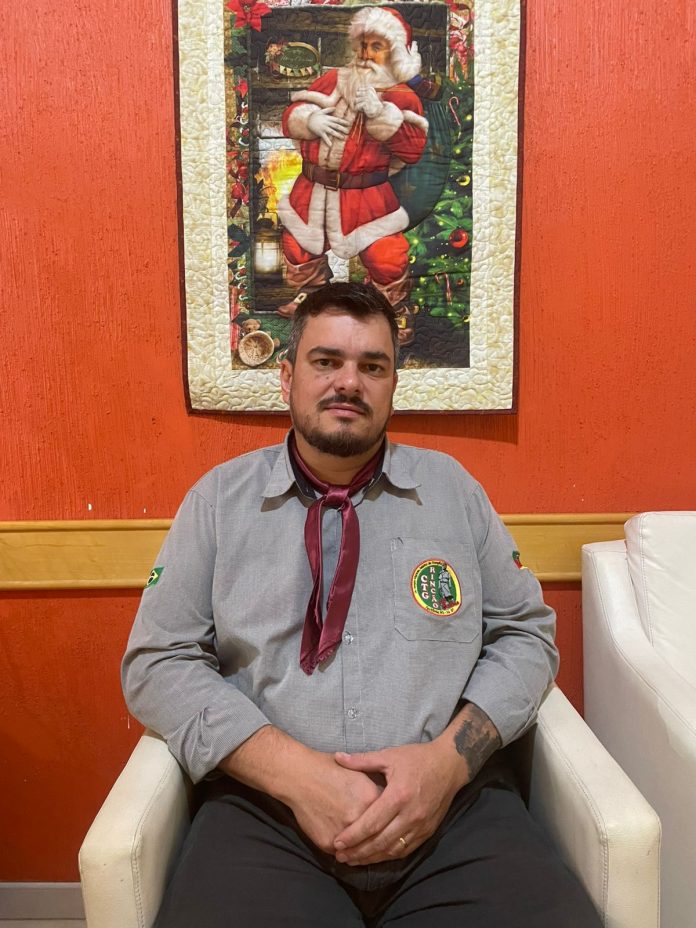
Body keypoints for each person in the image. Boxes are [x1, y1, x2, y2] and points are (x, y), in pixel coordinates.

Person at [122, 282, 602, 928]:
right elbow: (157, 661)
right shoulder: (217, 503)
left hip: (451, 816)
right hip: (268, 819)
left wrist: (447, 764)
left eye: (373, 366)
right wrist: (297, 776)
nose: (349, 382)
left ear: (393, 385)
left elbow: (526, 635)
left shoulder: (453, 493)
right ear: (287, 377)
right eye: (326, 361)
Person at [276, 8, 428, 345]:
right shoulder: (334, 80)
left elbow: (413, 149)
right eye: (363, 45)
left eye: (377, 47)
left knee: (386, 255)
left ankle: (393, 308)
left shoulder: (402, 96)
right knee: (298, 245)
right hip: (312, 188)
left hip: (367, 195)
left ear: (395, 53)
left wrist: (381, 115)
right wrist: (309, 119)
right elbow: (292, 113)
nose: (366, 54)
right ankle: (310, 294)